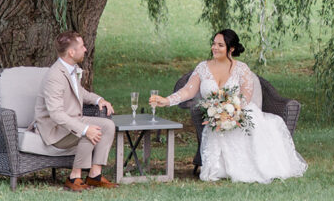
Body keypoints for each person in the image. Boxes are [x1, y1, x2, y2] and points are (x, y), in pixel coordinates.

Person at [150, 29, 307, 183]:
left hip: (240, 113)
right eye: (213, 44)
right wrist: (166, 100)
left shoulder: (241, 68)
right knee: (216, 133)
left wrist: (230, 112)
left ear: (231, 49)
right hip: (215, 117)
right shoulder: (203, 67)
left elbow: (246, 97)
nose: (214, 48)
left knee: (248, 128)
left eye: (220, 45)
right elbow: (187, 91)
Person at [33, 31, 118, 191]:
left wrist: (99, 100)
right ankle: (74, 177)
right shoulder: (55, 76)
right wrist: (84, 129)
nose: (85, 49)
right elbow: (56, 114)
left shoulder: (71, 69)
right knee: (89, 131)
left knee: (108, 126)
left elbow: (80, 92)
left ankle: (95, 175)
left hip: (72, 121)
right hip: (55, 130)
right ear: (71, 52)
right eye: (82, 46)